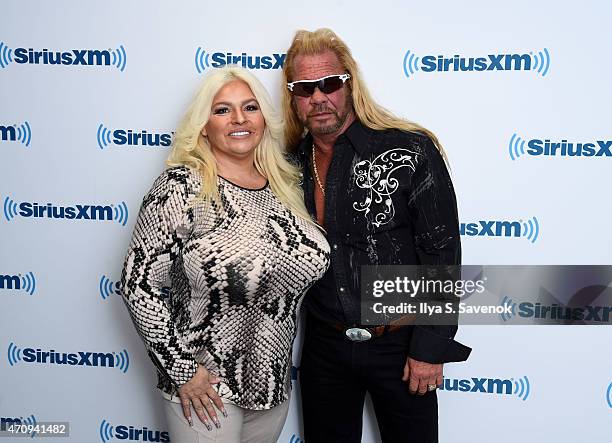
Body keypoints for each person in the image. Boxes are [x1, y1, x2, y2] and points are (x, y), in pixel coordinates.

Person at [281, 28, 472, 442]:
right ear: (292, 96)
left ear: (349, 83)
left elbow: (442, 254)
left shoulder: (410, 151)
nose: (319, 97)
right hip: (324, 347)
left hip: (401, 345)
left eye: (330, 83)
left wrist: (430, 346)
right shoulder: (285, 164)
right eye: (304, 88)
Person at [120, 66, 330, 442]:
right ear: (203, 125)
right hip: (207, 392)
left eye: (250, 107)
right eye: (222, 110)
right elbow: (139, 286)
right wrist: (184, 372)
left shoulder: (284, 187)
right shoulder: (182, 187)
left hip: (271, 388)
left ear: (264, 119)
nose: (239, 119)